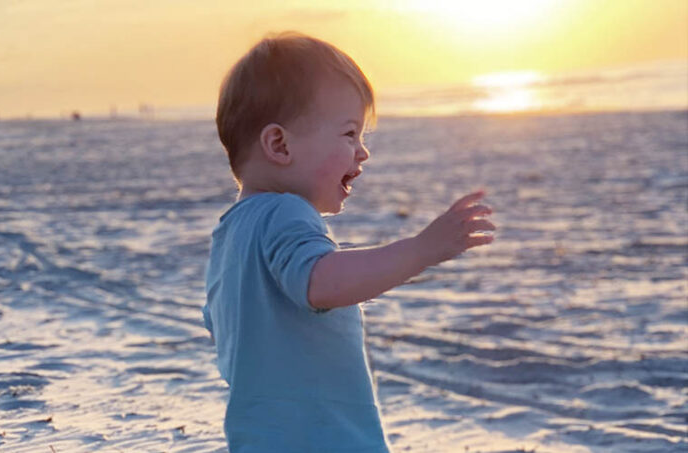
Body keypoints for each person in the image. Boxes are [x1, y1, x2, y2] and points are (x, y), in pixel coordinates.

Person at [203, 31, 496, 453]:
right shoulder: (285, 212)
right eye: (348, 134)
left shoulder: (229, 234)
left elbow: (221, 323)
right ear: (279, 145)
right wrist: (421, 249)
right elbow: (321, 283)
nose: (362, 152)